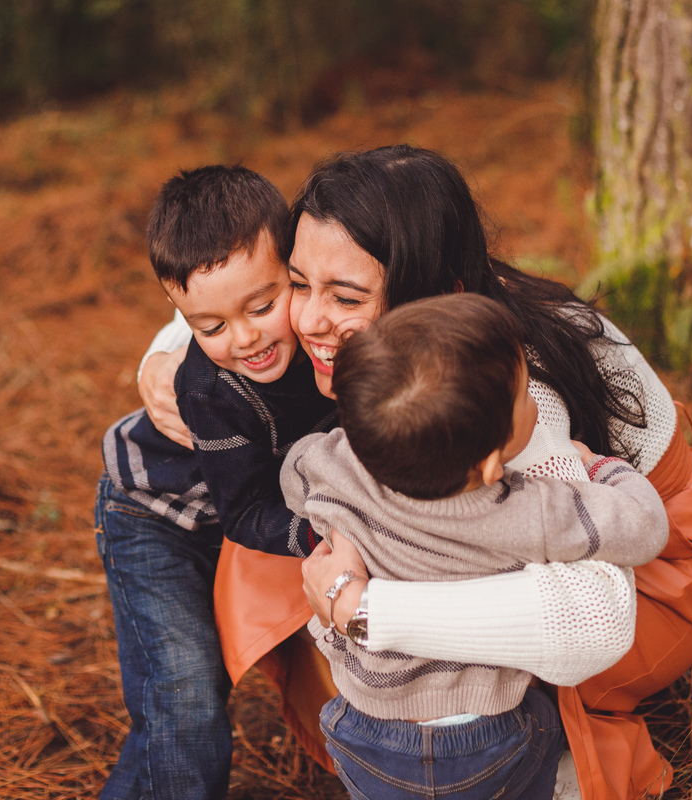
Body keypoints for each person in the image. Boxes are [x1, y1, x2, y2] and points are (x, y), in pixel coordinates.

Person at [138, 145, 692, 799]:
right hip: (561, 531)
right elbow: (236, 270)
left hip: (655, 575)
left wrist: (365, 611)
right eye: (298, 284)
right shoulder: (417, 285)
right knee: (274, 544)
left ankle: (543, 766)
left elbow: (594, 621)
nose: (307, 319)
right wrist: (170, 348)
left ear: (435, 289)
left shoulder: (498, 391)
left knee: (359, 542)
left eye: (344, 297)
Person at [282, 293, 667, 800]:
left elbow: (294, 471)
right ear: (489, 466)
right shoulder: (529, 511)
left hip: (363, 728)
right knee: (544, 729)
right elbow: (646, 526)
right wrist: (600, 468)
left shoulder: (334, 464)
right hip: (485, 741)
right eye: (526, 395)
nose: (534, 404)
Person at [95, 165, 336, 800]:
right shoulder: (210, 385)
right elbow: (246, 510)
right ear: (181, 317)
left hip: (235, 517)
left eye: (262, 305)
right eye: (210, 328)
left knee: (190, 696)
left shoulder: (326, 336)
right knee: (185, 693)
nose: (246, 336)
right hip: (154, 520)